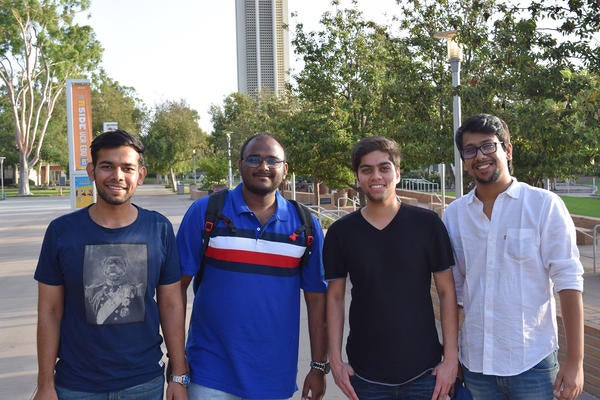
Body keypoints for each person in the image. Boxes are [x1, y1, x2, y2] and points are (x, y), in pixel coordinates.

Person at [34, 130, 188, 400]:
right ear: (91, 171)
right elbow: (49, 311)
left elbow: (171, 305)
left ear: (140, 174)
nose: (117, 176)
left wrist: (178, 375)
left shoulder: (159, 228)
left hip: (144, 382)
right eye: (107, 166)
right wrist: (45, 385)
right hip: (75, 385)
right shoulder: (62, 232)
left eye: (127, 168)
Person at [442, 113, 585, 400]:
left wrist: (575, 362)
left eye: (488, 146)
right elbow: (455, 292)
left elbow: (568, 283)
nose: (479, 155)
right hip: (476, 365)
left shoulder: (543, 205)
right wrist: (451, 355)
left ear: (507, 150)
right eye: (469, 150)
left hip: (532, 364)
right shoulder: (454, 215)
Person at [177, 133, 328, 400]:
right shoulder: (206, 213)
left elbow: (318, 302)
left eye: (272, 160)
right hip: (209, 372)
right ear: (240, 164)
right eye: (254, 159)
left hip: (273, 377)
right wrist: (178, 366)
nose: (263, 166)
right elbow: (173, 293)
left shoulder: (305, 225)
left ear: (285, 168)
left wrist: (318, 366)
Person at [323, 135, 459, 400]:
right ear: (358, 176)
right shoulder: (341, 232)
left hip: (425, 372)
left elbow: (447, 292)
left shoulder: (428, 225)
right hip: (364, 375)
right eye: (367, 169)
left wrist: (450, 359)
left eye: (384, 168)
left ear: (397, 173)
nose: (376, 176)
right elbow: (335, 297)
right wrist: (335, 362)